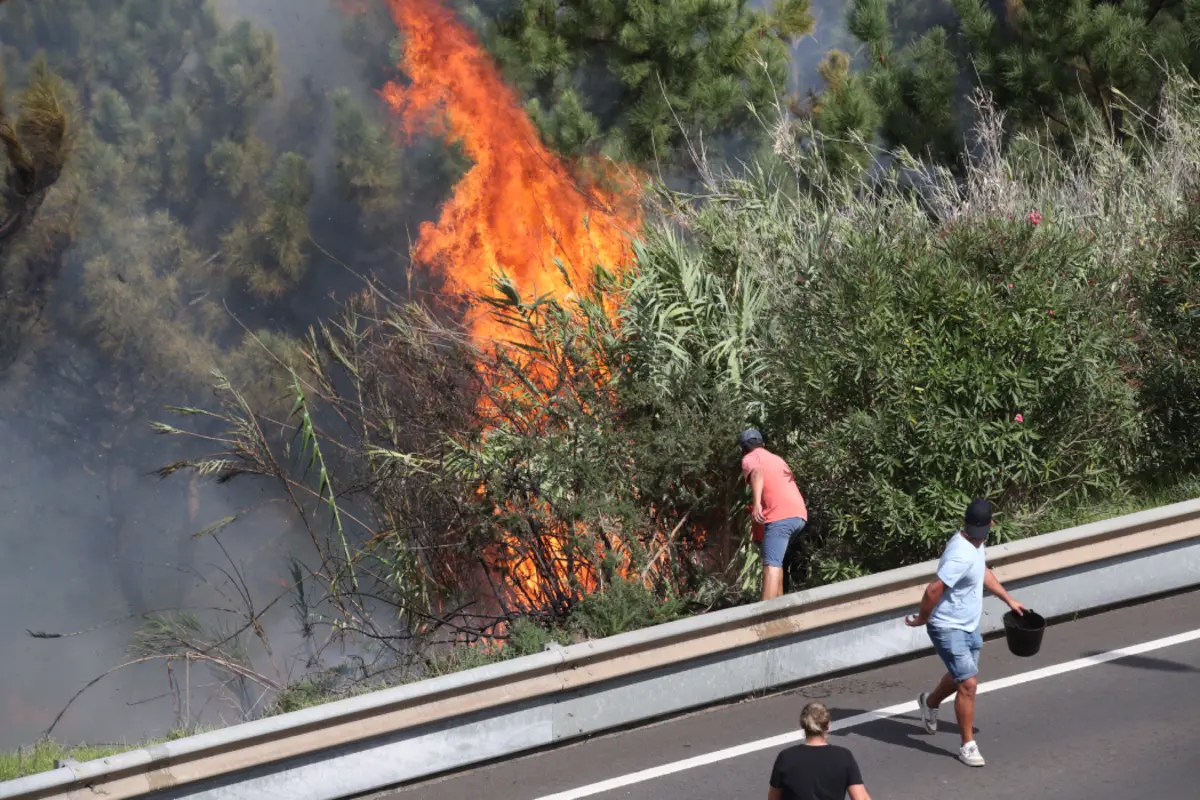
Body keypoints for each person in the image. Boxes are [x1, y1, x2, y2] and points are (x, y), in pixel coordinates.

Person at [905, 498, 1026, 768]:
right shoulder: (961, 552)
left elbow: (982, 571)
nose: (978, 534)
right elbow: (933, 590)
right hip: (947, 626)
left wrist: (1009, 599)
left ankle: (930, 702)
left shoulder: (975, 544)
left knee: (962, 674)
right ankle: (967, 745)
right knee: (968, 683)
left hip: (968, 624)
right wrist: (923, 619)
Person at [738, 429, 808, 601]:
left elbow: (757, 474)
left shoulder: (750, 458)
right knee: (776, 561)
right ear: (763, 444)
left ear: (742, 449)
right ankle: (780, 608)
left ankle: (766, 618)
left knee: (771, 566)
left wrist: (756, 505)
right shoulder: (777, 459)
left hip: (780, 516)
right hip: (798, 515)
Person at [768, 701, 872, 800]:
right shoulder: (844, 757)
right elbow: (861, 798)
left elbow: (773, 798)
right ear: (828, 725)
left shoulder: (786, 757)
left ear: (803, 725)